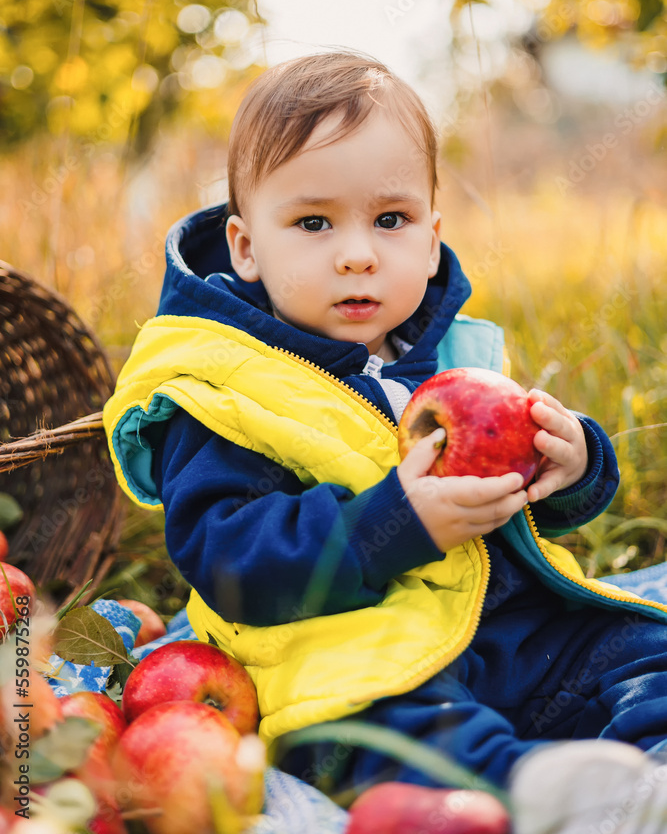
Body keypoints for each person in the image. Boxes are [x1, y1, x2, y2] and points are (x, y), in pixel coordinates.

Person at [103, 50, 667, 834]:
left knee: (633, 646)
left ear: (432, 238)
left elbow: (527, 503)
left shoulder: (451, 362)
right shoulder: (222, 391)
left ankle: (651, 765)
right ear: (244, 247)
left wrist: (570, 460)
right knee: (393, 729)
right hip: (352, 650)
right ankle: (532, 792)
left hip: (505, 628)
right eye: (312, 223)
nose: (358, 251)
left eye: (390, 220)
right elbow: (228, 559)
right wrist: (393, 525)